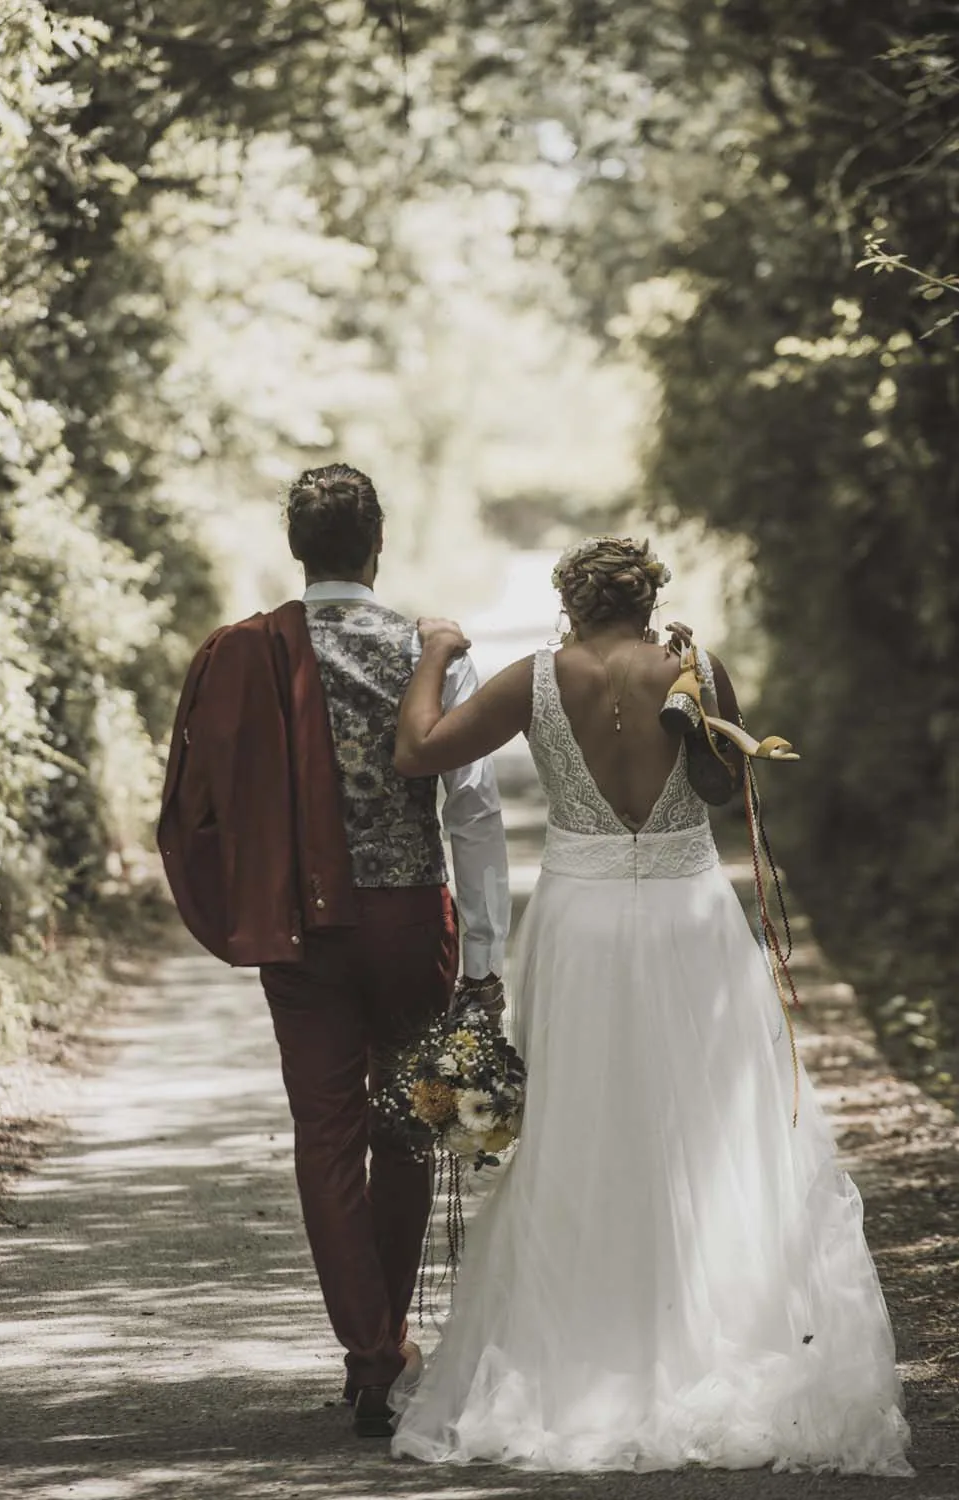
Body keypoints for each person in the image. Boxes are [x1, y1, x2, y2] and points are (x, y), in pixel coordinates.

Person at [388, 535, 911, 1475]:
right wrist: (697, 697)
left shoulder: (533, 678)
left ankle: (586, 1352)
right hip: (689, 920)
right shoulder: (692, 668)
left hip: (582, 923)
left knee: (583, 1131)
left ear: (569, 603)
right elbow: (723, 791)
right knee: (705, 1124)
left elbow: (417, 749)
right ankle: (713, 1342)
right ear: (646, 598)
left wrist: (434, 653)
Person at [159, 464, 510, 1440]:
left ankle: (370, 1350)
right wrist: (483, 950)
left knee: (325, 1137)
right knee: (405, 1128)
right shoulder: (426, 649)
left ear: (296, 549)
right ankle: (389, 1335)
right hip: (409, 921)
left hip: (296, 922)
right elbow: (472, 811)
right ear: (375, 547)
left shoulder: (251, 650)